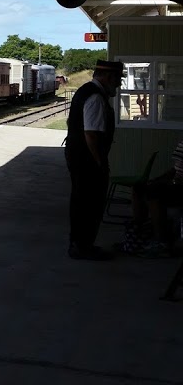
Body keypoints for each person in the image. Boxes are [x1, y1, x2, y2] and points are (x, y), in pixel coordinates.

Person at [64, 59, 125, 260]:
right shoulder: (96, 98)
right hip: (88, 160)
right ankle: (82, 246)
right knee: (90, 203)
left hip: (78, 156)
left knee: (82, 200)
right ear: (108, 77)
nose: (118, 84)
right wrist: (100, 162)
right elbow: (91, 134)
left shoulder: (85, 91)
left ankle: (80, 244)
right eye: (117, 80)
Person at [123, 140, 183, 256]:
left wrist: (173, 183)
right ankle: (138, 236)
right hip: (176, 183)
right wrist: (159, 179)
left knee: (153, 193)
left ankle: (162, 243)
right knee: (139, 188)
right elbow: (175, 169)